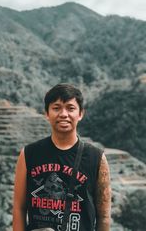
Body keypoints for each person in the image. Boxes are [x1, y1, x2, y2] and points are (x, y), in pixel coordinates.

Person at [13, 83, 111, 231]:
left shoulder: (96, 158)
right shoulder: (29, 154)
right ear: (47, 113)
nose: (63, 114)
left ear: (80, 114)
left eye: (70, 108)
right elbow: (19, 208)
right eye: (56, 108)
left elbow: (103, 217)